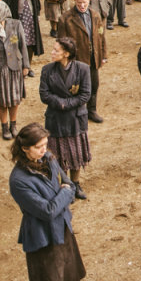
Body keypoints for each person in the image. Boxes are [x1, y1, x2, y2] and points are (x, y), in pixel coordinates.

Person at [8, 123, 86, 281]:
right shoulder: (18, 180)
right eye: (39, 146)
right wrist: (64, 193)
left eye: (45, 144)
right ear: (25, 148)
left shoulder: (49, 158)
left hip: (62, 230)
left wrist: (65, 191)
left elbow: (69, 183)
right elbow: (48, 211)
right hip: (41, 240)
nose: (44, 150)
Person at [39, 37, 92, 199]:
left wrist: (67, 104)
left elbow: (86, 94)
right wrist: (60, 103)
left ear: (66, 54)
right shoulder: (47, 70)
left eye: (56, 50)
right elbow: (44, 94)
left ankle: (76, 183)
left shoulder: (82, 69)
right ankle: (64, 185)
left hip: (75, 118)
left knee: (76, 154)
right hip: (55, 119)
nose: (52, 52)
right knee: (58, 156)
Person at [0, 0, 29, 142]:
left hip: (14, 67)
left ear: (2, 11)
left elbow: (22, 46)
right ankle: (4, 126)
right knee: (0, 100)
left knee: (14, 98)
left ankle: (13, 125)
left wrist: (26, 65)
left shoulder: (16, 24)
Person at [57, 0, 107, 124]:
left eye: (85, 3)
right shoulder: (65, 19)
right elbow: (62, 42)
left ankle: (92, 110)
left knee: (94, 85)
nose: (82, 6)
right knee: (76, 87)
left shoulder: (95, 16)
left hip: (93, 57)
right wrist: (66, 60)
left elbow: (101, 36)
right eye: (79, 3)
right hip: (77, 60)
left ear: (89, 2)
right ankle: (77, 112)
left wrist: (103, 55)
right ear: (75, 2)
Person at [3, 0, 43, 65]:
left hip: (29, 16)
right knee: (17, 40)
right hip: (17, 16)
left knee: (30, 40)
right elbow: (6, 1)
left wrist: (37, 14)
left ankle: (27, 65)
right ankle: (18, 64)